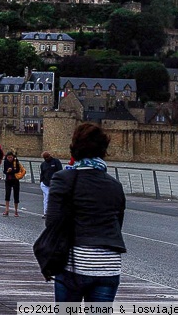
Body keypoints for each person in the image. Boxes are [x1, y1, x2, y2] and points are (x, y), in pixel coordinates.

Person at [48, 122, 126, 302]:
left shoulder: (62, 179)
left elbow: (52, 222)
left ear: (74, 148)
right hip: (108, 267)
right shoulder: (115, 186)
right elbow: (117, 225)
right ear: (103, 149)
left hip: (73, 264)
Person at [40, 151, 63, 218]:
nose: (46, 159)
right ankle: (46, 213)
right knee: (47, 196)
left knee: (53, 198)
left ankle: (54, 212)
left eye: (47, 157)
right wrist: (41, 181)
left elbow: (60, 171)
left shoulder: (56, 161)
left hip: (54, 183)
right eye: (45, 158)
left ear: (50, 155)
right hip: (45, 184)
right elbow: (42, 173)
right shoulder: (43, 164)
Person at [2, 151, 22, 216]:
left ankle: (16, 211)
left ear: (13, 157)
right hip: (8, 180)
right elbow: (4, 171)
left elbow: (18, 170)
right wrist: (7, 171)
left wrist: (12, 170)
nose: (9, 158)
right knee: (7, 195)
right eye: (8, 157)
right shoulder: (5, 162)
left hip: (15, 180)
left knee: (16, 195)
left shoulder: (16, 162)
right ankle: (6, 210)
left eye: (10, 157)